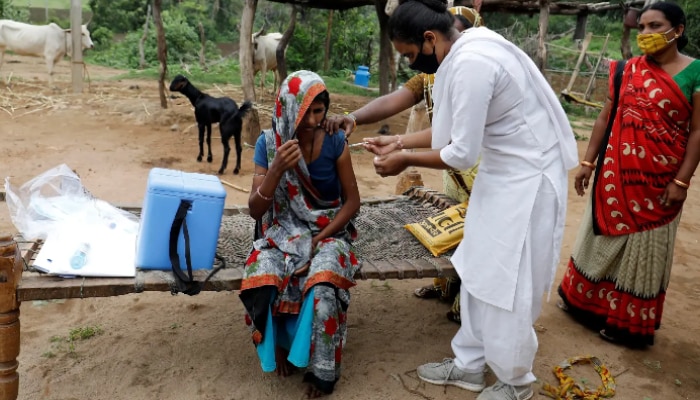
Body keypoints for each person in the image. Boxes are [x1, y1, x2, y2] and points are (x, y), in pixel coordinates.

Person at [363, 0, 579, 399]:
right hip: (502, 175)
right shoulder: (464, 49)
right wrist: (397, 141)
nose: (412, 63)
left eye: (411, 55)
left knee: (508, 279)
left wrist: (404, 158)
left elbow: (460, 153)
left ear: (430, 39)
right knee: (479, 266)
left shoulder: (473, 62)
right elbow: (451, 131)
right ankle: (469, 365)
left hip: (527, 181)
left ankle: (516, 383)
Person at [324, 5, 485, 324]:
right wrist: (354, 118)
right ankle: (449, 285)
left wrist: (403, 151)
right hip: (454, 168)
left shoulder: (472, 71)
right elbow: (397, 100)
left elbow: (457, 138)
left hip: (480, 169)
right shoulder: (432, 72)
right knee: (456, 228)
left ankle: (470, 304)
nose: (413, 61)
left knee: (480, 233)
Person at [557, 2, 700, 348]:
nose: (647, 35)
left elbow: (698, 131)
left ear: (678, 30)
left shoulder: (695, 73)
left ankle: (627, 325)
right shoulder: (625, 70)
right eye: (642, 28)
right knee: (600, 237)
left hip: (660, 180)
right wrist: (588, 163)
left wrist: (681, 182)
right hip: (615, 173)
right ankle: (584, 305)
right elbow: (606, 117)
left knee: (644, 248)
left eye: (656, 26)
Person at [239, 70, 361, 398]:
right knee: (263, 274)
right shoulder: (268, 144)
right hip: (281, 230)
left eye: (320, 112)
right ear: (287, 109)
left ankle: (321, 370)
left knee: (323, 284)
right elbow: (255, 210)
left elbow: (352, 203)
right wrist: (276, 168)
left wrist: (319, 241)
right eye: (304, 112)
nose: (312, 121)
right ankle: (279, 345)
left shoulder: (335, 142)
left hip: (328, 229)